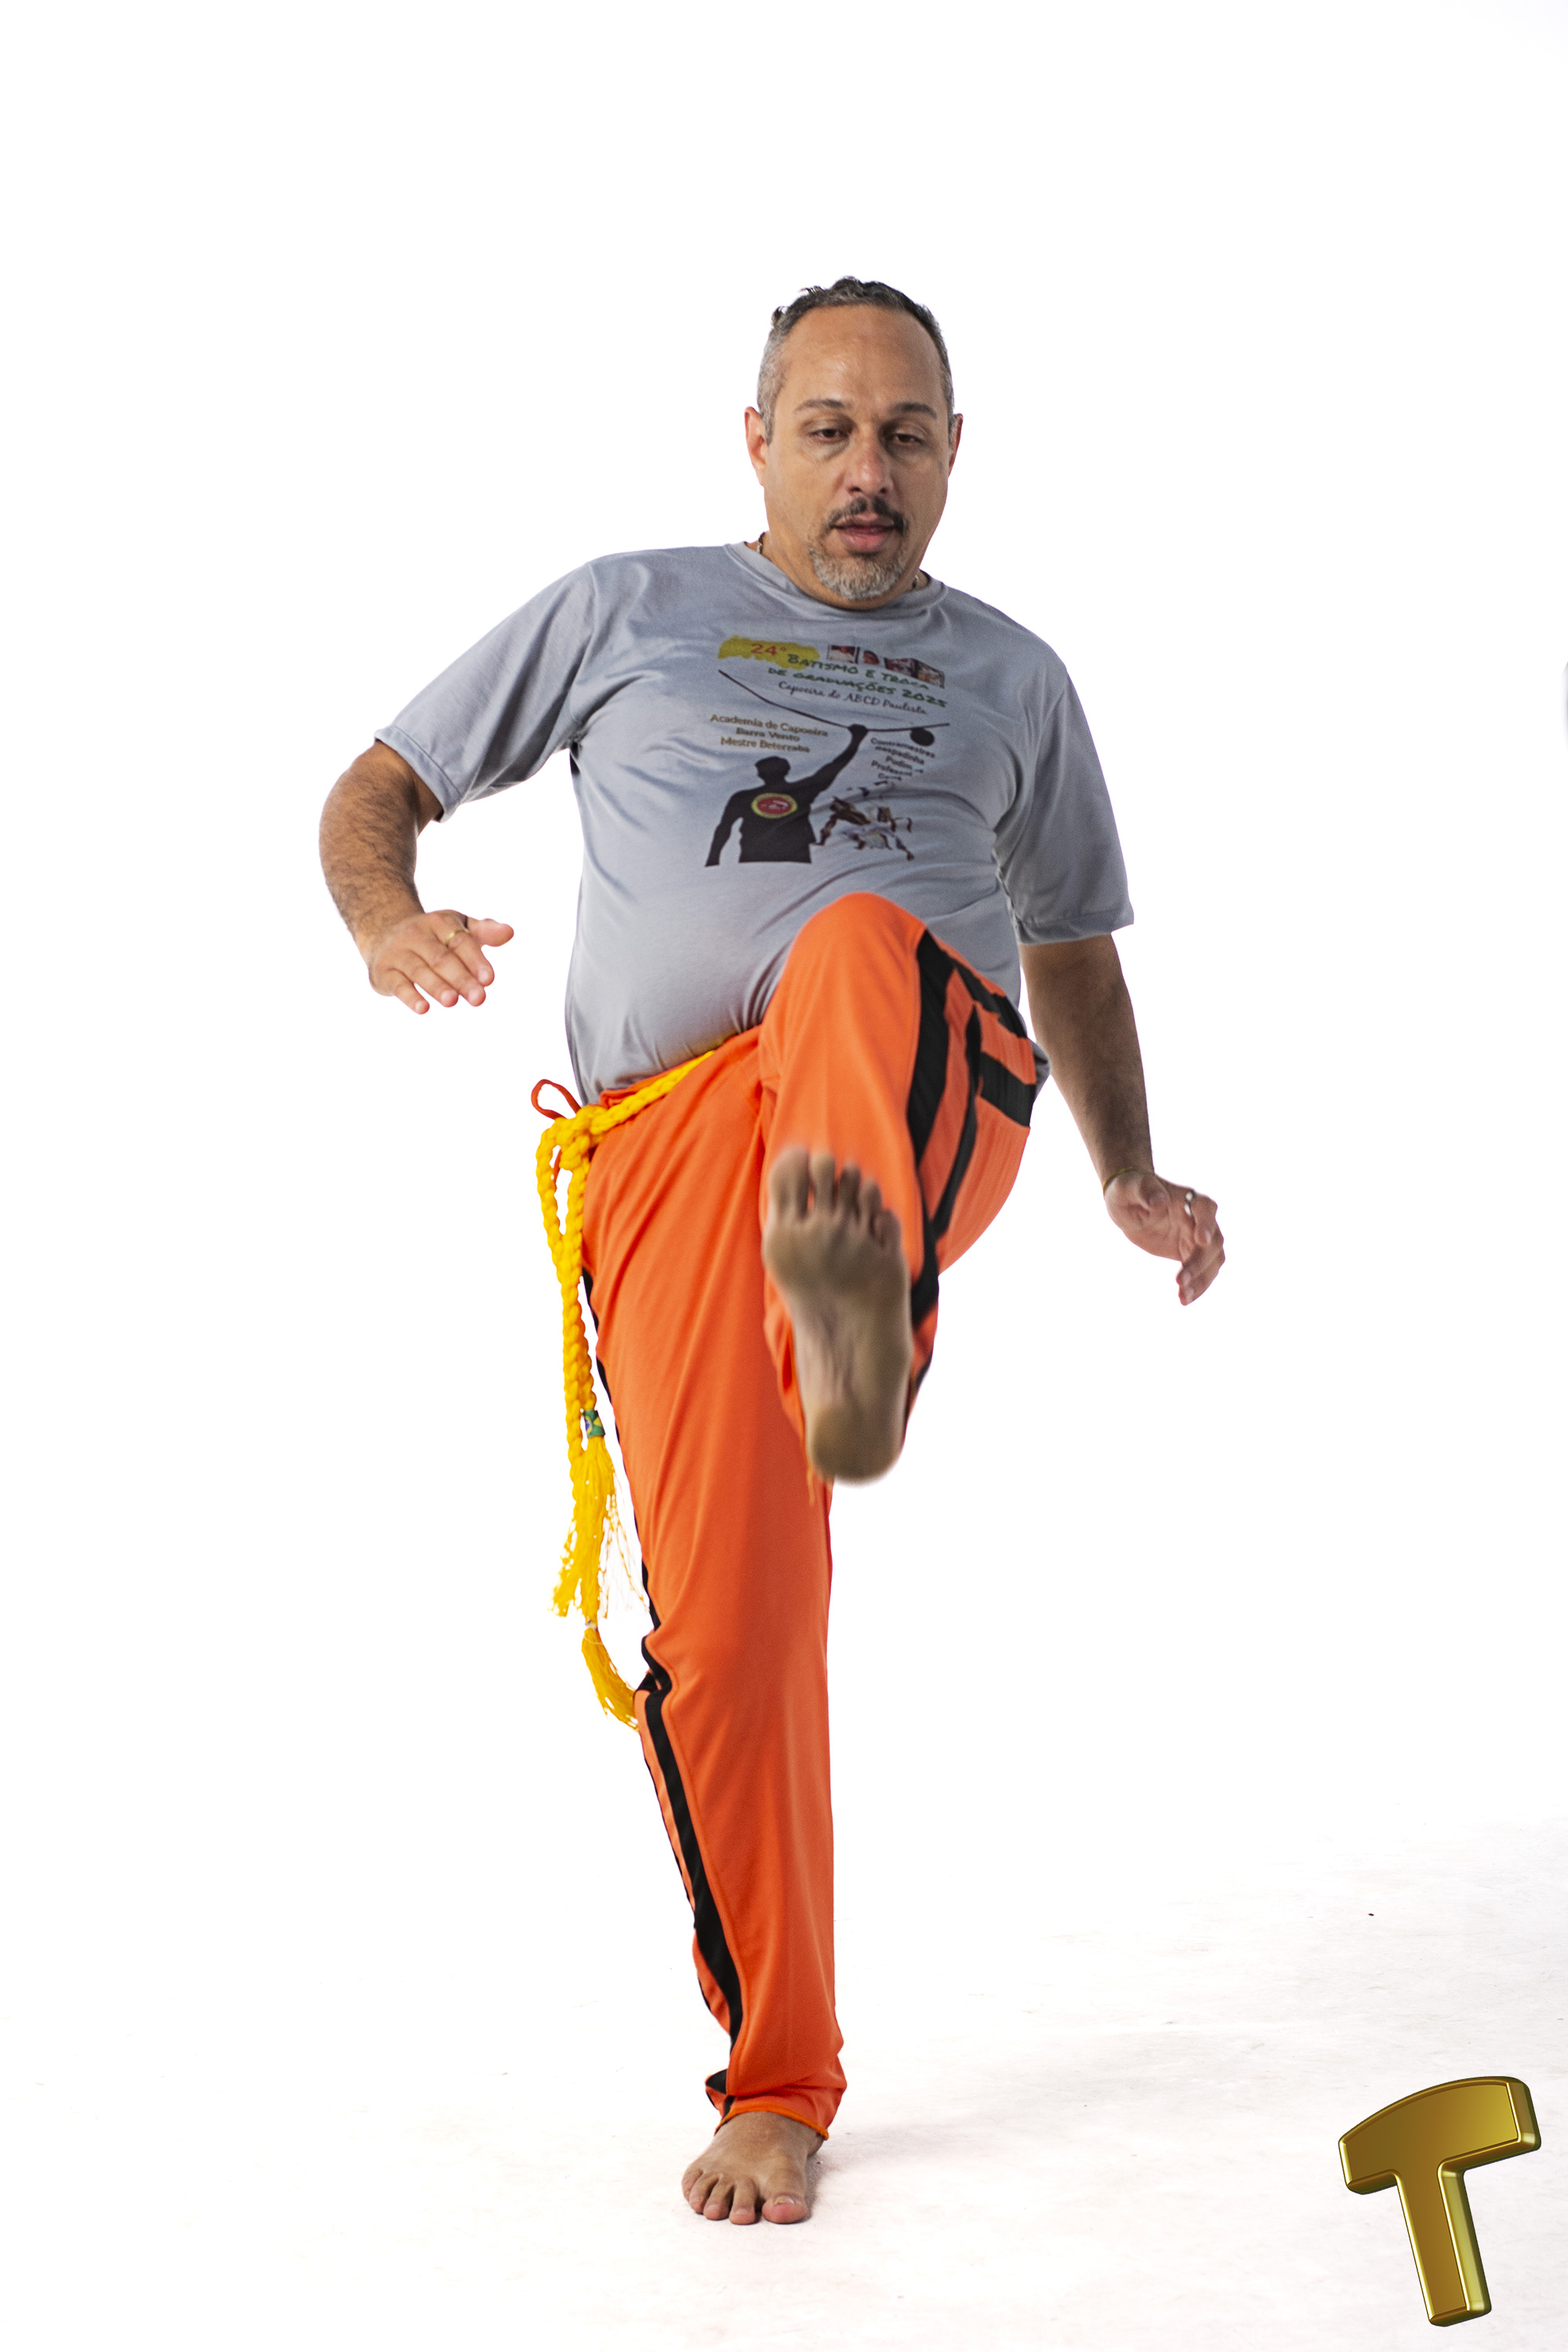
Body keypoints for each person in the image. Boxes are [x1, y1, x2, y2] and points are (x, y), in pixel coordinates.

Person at [318, 276, 1225, 2230]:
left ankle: (852, 1298)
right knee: (726, 1634)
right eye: (828, 430)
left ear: (956, 455)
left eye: (905, 434)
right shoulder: (620, 608)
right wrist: (387, 920)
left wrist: (1128, 1173)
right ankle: (779, 2078)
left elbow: (1069, 950)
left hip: (916, 1090)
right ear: (758, 444)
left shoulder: (1015, 679)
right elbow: (376, 789)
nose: (867, 470)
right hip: (667, 1164)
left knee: (849, 952)